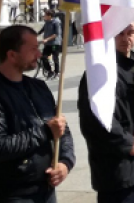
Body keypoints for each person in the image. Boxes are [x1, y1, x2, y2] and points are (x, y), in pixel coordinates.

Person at [79, 23, 134, 203]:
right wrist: (127, 143)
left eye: (130, 33)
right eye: (120, 33)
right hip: (118, 171)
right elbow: (94, 121)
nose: (126, 39)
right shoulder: (98, 72)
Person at [0, 25, 75, 203]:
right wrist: (44, 132)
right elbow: (2, 146)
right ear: (12, 55)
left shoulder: (38, 88)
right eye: (33, 49)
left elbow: (62, 128)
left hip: (46, 190)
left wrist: (65, 163)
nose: (39, 54)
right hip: (14, 193)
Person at [38, 10, 62, 79]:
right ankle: (49, 71)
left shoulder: (56, 22)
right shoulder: (47, 22)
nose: (44, 16)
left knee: (55, 57)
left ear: (49, 16)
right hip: (48, 44)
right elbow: (43, 29)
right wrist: (35, 34)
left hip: (55, 43)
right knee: (43, 57)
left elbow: (56, 34)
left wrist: (47, 39)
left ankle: (57, 72)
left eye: (45, 15)